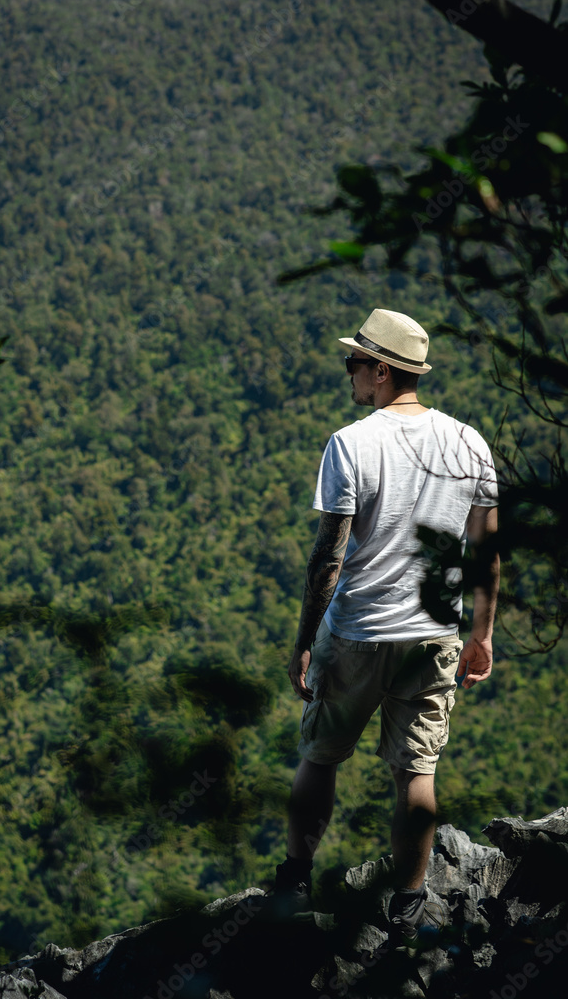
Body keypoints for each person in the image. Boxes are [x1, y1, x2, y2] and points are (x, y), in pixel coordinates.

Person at [267, 308, 500, 943]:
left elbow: (329, 556)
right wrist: (481, 634)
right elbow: (486, 553)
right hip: (434, 635)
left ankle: (294, 878)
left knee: (319, 756)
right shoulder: (469, 442)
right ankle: (409, 901)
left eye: (356, 363)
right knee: (416, 772)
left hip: (358, 633)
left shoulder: (352, 443)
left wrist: (305, 643)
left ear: (381, 370)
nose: (350, 374)